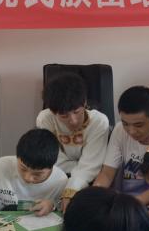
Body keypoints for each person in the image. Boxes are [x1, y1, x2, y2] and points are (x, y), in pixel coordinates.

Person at [93, 85, 149, 205]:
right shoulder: (120, 130)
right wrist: (94, 196)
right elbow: (107, 174)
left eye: (138, 125)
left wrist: (130, 205)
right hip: (123, 202)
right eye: (125, 123)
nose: (131, 131)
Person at [36, 73, 110, 212]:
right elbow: (53, 159)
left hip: (90, 180)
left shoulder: (99, 122)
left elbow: (91, 166)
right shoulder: (45, 119)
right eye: (64, 116)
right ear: (53, 111)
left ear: (84, 102)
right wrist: (80, 168)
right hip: (57, 176)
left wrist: (72, 188)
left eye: (77, 111)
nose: (73, 121)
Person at [0, 128, 68, 219]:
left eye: (37, 174)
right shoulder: (1, 165)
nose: (27, 178)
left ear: (52, 167)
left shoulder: (60, 181)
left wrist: (52, 206)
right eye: (23, 169)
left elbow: (62, 210)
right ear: (17, 157)